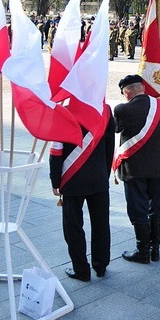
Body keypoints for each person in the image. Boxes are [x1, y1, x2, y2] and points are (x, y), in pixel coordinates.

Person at [114, 75, 160, 264]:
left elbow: (115, 130)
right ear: (142, 88)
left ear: (127, 93)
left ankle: (143, 251)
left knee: (138, 209)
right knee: (157, 208)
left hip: (134, 168)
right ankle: (155, 249)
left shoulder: (122, 109)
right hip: (158, 166)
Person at [49, 110, 115, 281]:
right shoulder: (104, 110)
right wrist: (104, 173)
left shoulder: (63, 112)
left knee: (73, 226)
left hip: (72, 179)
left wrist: (55, 180)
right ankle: (101, 266)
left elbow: (56, 150)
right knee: (101, 223)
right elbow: (110, 146)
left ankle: (81, 270)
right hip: (98, 178)